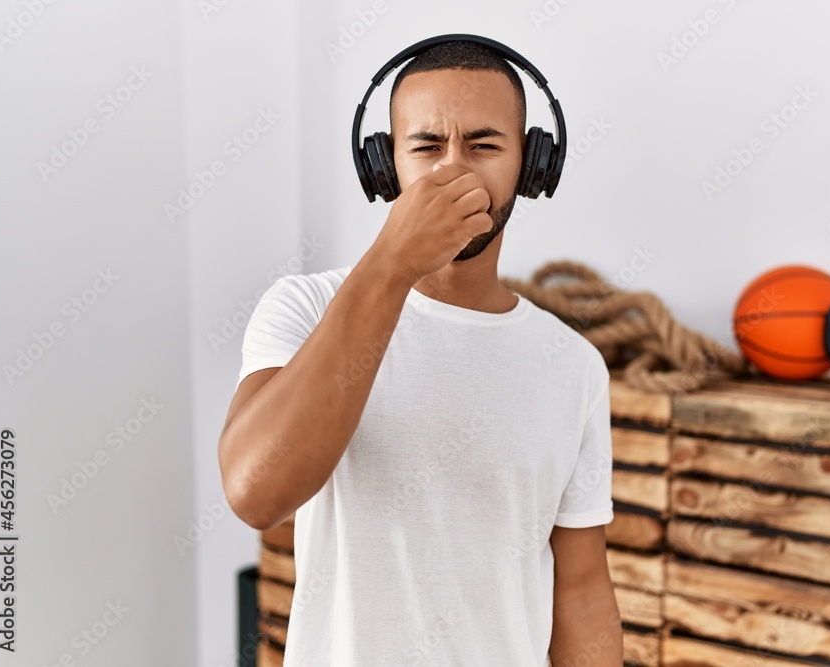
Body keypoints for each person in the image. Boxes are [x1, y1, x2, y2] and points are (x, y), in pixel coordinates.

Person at [218, 37, 623, 666]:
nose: (453, 171)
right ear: (386, 168)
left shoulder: (572, 364)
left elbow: (582, 593)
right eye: (427, 147)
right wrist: (392, 262)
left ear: (532, 164)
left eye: (484, 145)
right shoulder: (305, 307)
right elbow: (256, 493)